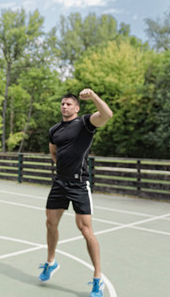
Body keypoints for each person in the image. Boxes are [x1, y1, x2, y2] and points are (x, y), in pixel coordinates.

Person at [38, 89, 113, 297]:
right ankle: (51, 263)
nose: (65, 106)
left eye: (69, 104)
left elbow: (107, 115)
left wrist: (95, 96)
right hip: (59, 183)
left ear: (77, 108)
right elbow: (53, 152)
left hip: (79, 184)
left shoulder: (85, 123)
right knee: (50, 222)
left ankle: (98, 279)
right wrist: (62, 165)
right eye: (62, 103)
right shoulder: (54, 129)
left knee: (85, 229)